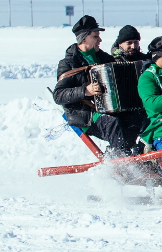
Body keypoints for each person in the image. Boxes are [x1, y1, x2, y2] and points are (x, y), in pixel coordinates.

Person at [53, 15, 142, 155]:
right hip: (85, 114)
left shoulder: (104, 58)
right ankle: (122, 163)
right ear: (83, 39)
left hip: (108, 110)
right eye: (95, 36)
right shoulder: (68, 63)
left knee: (136, 117)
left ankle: (122, 155)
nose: (100, 40)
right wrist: (85, 91)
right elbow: (58, 95)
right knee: (112, 123)